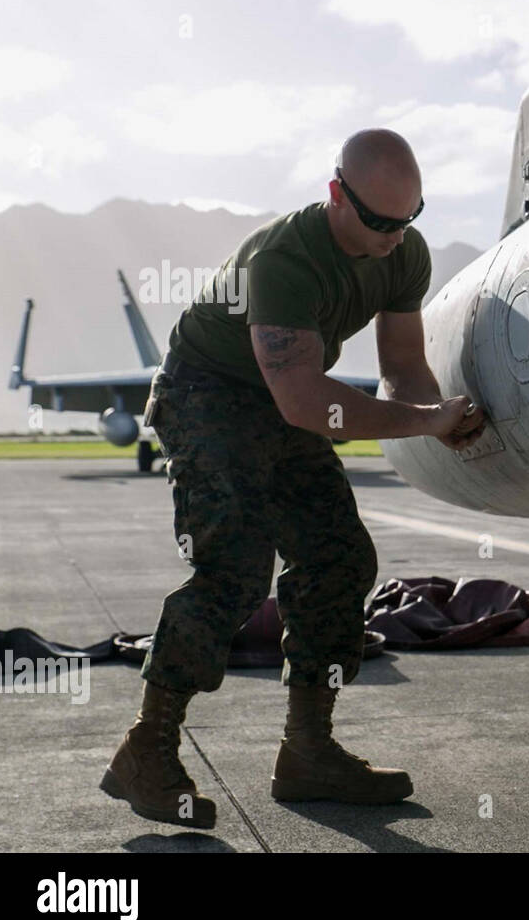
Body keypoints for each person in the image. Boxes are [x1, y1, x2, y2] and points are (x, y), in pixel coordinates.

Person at [100, 129, 486, 829]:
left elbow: (402, 365)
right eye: (378, 222)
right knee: (236, 568)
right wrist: (426, 422)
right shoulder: (283, 261)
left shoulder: (403, 252)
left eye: (409, 220)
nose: (394, 238)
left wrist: (436, 418)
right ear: (337, 195)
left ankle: (307, 751)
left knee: (339, 557)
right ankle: (145, 750)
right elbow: (310, 404)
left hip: (286, 394)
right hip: (209, 391)